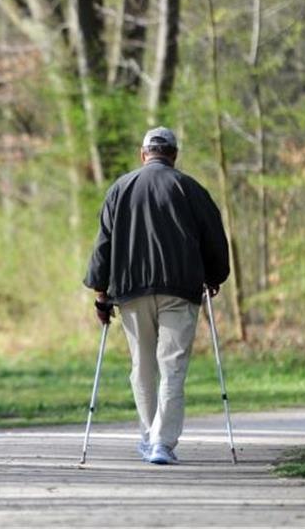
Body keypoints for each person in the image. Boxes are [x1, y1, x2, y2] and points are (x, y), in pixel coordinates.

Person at [84, 126, 230, 465]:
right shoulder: (190, 188)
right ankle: (161, 442)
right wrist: (214, 275)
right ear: (174, 155)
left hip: (131, 291)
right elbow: (214, 238)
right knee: (172, 366)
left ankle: (151, 436)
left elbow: (103, 243)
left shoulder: (119, 189)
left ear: (143, 153)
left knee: (143, 367)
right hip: (179, 290)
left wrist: (100, 292)